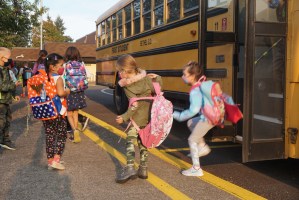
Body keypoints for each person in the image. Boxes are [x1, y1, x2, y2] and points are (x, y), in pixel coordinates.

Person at [115, 54, 162, 183]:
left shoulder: (127, 86)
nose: (119, 73)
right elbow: (158, 88)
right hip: (149, 116)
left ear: (125, 71)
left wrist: (124, 118)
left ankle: (130, 167)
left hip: (136, 118)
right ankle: (143, 169)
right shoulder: (147, 79)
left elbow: (134, 106)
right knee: (143, 141)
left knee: (130, 140)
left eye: (120, 71)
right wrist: (157, 77)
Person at [173, 61, 214, 177]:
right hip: (213, 115)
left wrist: (177, 115)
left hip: (208, 118)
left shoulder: (195, 90)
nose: (183, 77)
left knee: (192, 140)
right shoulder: (202, 82)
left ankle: (196, 168)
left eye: (185, 75)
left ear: (192, 76)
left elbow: (193, 110)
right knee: (191, 123)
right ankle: (202, 147)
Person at [43, 53, 70, 170]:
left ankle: (50, 161)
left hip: (46, 111)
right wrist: (67, 91)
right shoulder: (58, 78)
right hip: (58, 112)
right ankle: (56, 160)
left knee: (49, 136)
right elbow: (60, 93)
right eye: (61, 65)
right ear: (52, 67)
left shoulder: (43, 78)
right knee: (61, 135)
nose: (62, 68)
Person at [64, 46, 88, 143]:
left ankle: (75, 131)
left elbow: (63, 77)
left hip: (70, 91)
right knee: (76, 112)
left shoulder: (66, 65)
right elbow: (85, 75)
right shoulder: (82, 64)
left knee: (69, 113)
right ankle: (76, 129)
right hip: (80, 91)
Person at [0, 47, 20, 153]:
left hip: (6, 100)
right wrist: (14, 85)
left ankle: (5, 140)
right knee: (1, 122)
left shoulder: (6, 70)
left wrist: (14, 94)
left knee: (7, 121)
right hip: (0, 101)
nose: (9, 59)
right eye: (8, 56)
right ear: (2, 58)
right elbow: (2, 86)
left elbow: (8, 84)